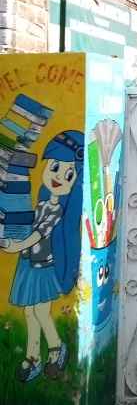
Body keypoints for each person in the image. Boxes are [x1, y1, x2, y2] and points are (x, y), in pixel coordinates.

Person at [0, 131, 84, 382]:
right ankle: (33, 356)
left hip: (43, 267)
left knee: (40, 312)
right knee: (29, 312)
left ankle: (57, 349)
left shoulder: (56, 210)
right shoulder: (42, 201)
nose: (59, 177)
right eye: (55, 167)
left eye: (68, 174)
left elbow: (39, 234)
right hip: (29, 264)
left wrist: (17, 245)